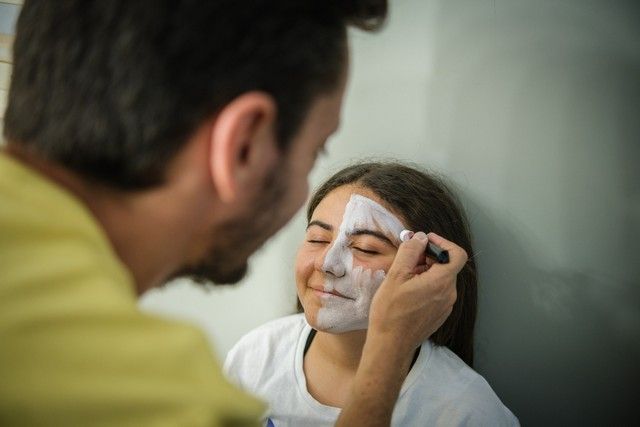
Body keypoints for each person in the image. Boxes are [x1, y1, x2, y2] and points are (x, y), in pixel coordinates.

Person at [0, 1, 467, 426]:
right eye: (313, 151)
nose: (329, 262)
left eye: (366, 246)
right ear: (245, 145)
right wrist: (386, 357)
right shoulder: (156, 400)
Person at [225, 162, 519, 426]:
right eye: (317, 239)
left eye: (366, 248)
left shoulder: (465, 410)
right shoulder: (255, 356)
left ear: (426, 271)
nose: (327, 263)